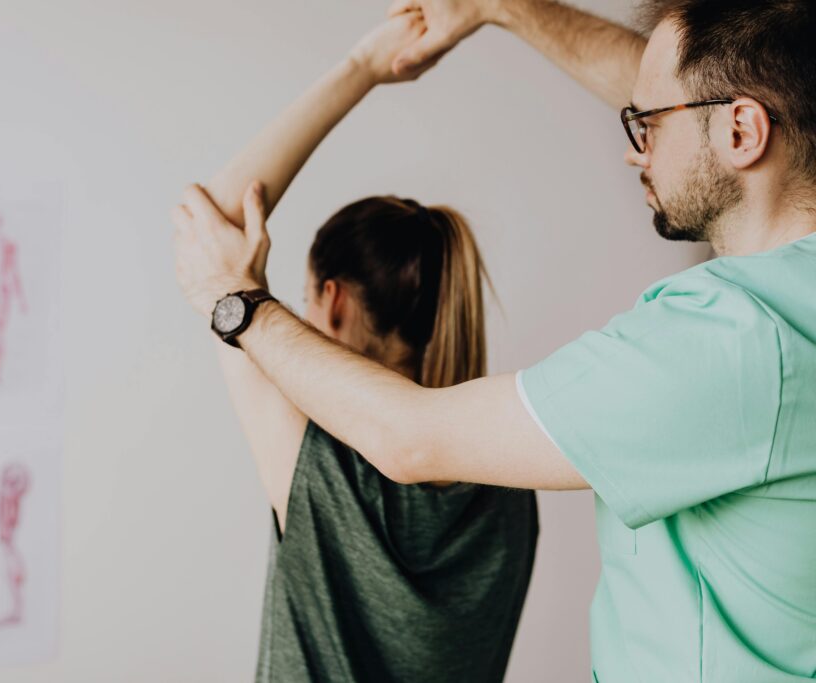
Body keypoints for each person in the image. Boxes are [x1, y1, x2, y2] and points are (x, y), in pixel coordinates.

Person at [172, 0, 816, 681]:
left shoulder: (729, 338)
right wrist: (496, 7)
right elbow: (723, 90)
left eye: (645, 122)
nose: (634, 146)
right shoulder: (502, 492)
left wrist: (241, 306)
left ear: (744, 130)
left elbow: (407, 439)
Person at [177, 12, 538, 683]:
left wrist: (365, 68)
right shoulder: (509, 478)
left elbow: (214, 217)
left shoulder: (319, 460)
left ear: (333, 300)